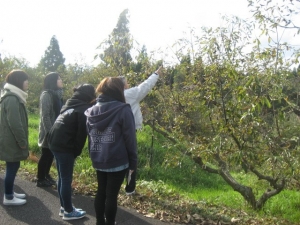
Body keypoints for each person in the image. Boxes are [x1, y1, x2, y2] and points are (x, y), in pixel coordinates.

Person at [85, 77, 137, 225]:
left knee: (101, 192)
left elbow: (90, 137)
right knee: (111, 195)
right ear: (118, 90)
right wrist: (133, 163)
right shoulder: (123, 109)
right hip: (117, 159)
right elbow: (130, 140)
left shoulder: (91, 110)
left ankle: (100, 222)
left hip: (98, 158)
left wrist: (93, 156)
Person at [48, 84, 96, 220]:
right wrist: (75, 152)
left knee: (62, 177)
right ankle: (69, 211)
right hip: (64, 146)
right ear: (89, 95)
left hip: (54, 143)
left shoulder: (69, 104)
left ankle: (64, 207)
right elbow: (81, 135)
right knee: (66, 178)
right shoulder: (84, 109)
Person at [119, 65, 163, 195]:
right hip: (128, 130)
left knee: (119, 157)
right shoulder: (129, 94)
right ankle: (130, 189)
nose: (128, 83)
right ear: (123, 85)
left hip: (116, 131)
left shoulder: (112, 97)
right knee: (131, 158)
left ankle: (116, 185)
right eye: (126, 82)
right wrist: (156, 74)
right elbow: (144, 87)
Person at [0, 70, 29, 206]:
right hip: (12, 141)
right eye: (25, 80)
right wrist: (22, 142)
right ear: (18, 81)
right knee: (12, 167)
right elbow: (15, 123)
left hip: (11, 140)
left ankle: (10, 191)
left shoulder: (13, 96)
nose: (27, 83)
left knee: (12, 166)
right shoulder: (12, 98)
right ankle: (9, 197)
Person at [37, 72, 63, 187]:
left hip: (56, 130)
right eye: (59, 79)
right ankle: (40, 178)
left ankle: (46, 175)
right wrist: (50, 132)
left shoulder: (57, 95)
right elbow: (45, 116)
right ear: (53, 81)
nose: (61, 80)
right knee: (46, 154)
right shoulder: (46, 95)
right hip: (49, 131)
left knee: (51, 154)